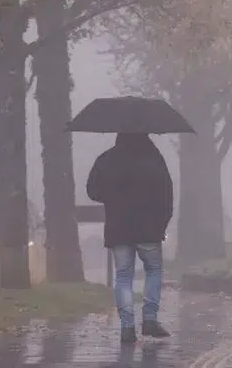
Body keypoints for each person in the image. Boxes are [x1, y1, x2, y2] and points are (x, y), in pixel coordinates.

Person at [86, 132, 174, 344]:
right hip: (149, 227)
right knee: (153, 270)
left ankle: (127, 327)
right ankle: (150, 319)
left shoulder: (106, 159)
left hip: (119, 227)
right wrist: (163, 223)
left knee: (123, 275)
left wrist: (112, 195)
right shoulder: (154, 158)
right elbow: (166, 193)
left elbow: (92, 191)